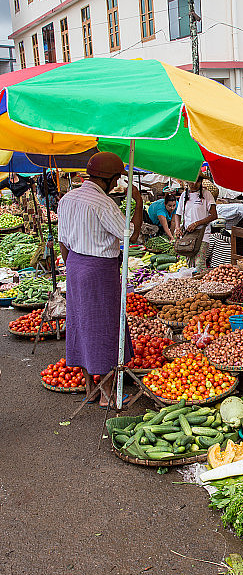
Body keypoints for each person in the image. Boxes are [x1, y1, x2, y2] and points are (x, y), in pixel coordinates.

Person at [58, 152, 143, 408]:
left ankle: (89, 388)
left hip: (74, 265)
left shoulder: (67, 199)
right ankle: (107, 395)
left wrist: (73, 266)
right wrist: (137, 202)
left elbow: (63, 243)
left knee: (80, 324)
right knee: (105, 326)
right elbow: (132, 236)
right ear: (112, 178)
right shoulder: (103, 203)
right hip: (99, 270)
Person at [176, 174, 217, 270]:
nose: (194, 184)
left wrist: (196, 224)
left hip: (203, 234)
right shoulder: (184, 195)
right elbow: (178, 214)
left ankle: (201, 282)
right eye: (192, 181)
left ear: (201, 182)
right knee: (190, 265)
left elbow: (214, 215)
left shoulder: (207, 194)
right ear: (187, 181)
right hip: (188, 236)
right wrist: (177, 228)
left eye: (197, 181)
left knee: (199, 264)